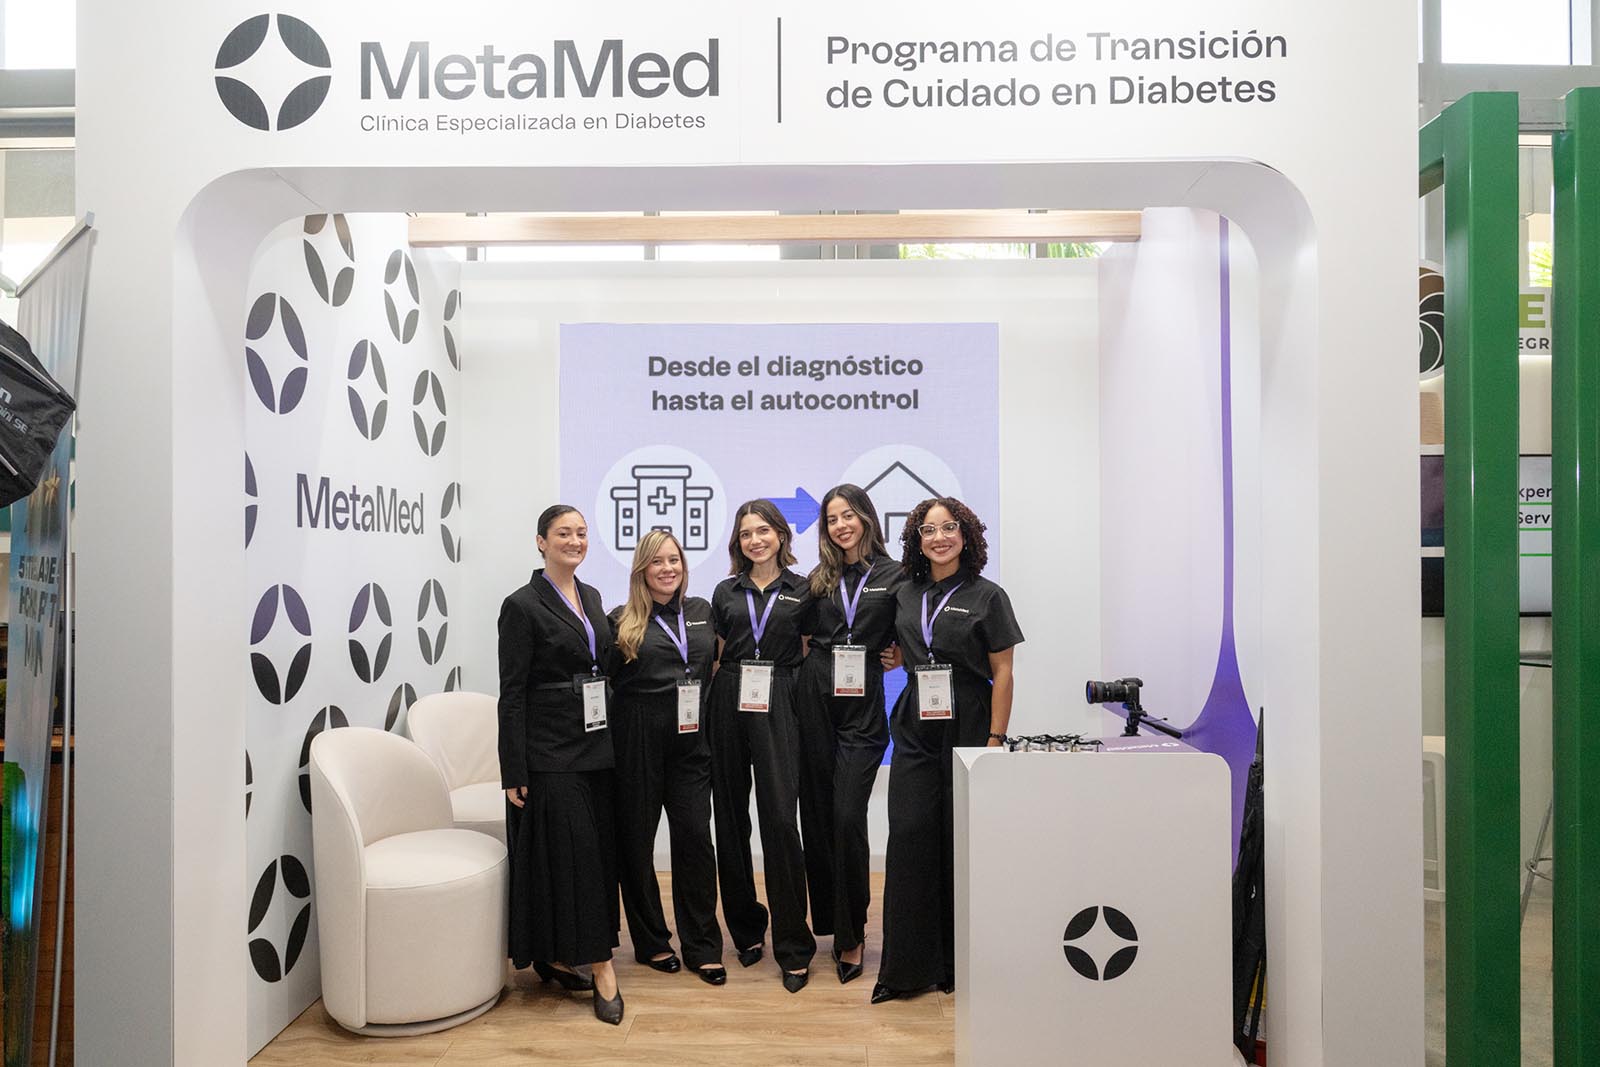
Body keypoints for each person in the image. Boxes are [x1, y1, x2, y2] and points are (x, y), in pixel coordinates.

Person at [872, 497, 1023, 1004]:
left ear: (966, 534)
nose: (939, 537)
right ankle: (906, 971)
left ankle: (961, 964)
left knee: (961, 839)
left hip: (971, 719)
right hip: (916, 721)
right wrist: (896, 657)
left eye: (949, 527)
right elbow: (899, 646)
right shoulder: (904, 593)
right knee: (910, 834)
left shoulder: (988, 595)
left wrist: (995, 740)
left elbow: (1003, 671)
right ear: (917, 540)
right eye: (928, 530)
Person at [497, 504, 625, 1024]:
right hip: (549, 750)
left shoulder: (591, 596)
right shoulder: (521, 605)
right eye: (564, 533)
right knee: (576, 854)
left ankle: (554, 955)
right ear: (541, 542)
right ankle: (602, 966)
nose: (575, 541)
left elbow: (601, 661)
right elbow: (511, 694)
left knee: (592, 852)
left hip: (596, 743)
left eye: (581, 533)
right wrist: (513, 770)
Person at [606, 529, 727, 986]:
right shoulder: (621, 620)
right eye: (657, 561)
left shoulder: (702, 612)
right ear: (642, 569)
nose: (667, 568)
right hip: (636, 742)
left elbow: (717, 664)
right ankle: (652, 941)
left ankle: (703, 946)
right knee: (636, 845)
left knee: (695, 839)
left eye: (674, 559)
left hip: (691, 743)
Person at [795, 484, 905, 984]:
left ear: (866, 517)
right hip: (815, 696)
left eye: (848, 516)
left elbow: (915, 628)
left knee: (846, 816)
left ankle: (852, 934)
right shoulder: (818, 579)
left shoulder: (895, 575)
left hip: (863, 707)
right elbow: (797, 636)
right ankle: (831, 924)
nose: (840, 525)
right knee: (819, 817)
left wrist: (900, 652)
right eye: (832, 519)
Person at [706, 499, 818, 992]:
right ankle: (747, 930)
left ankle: (793, 945)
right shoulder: (724, 591)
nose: (756, 540)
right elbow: (715, 656)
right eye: (746, 533)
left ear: (781, 535)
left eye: (763, 531)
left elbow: (811, 651)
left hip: (780, 695)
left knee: (780, 821)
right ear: (738, 542)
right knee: (730, 820)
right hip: (729, 696)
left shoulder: (804, 589)